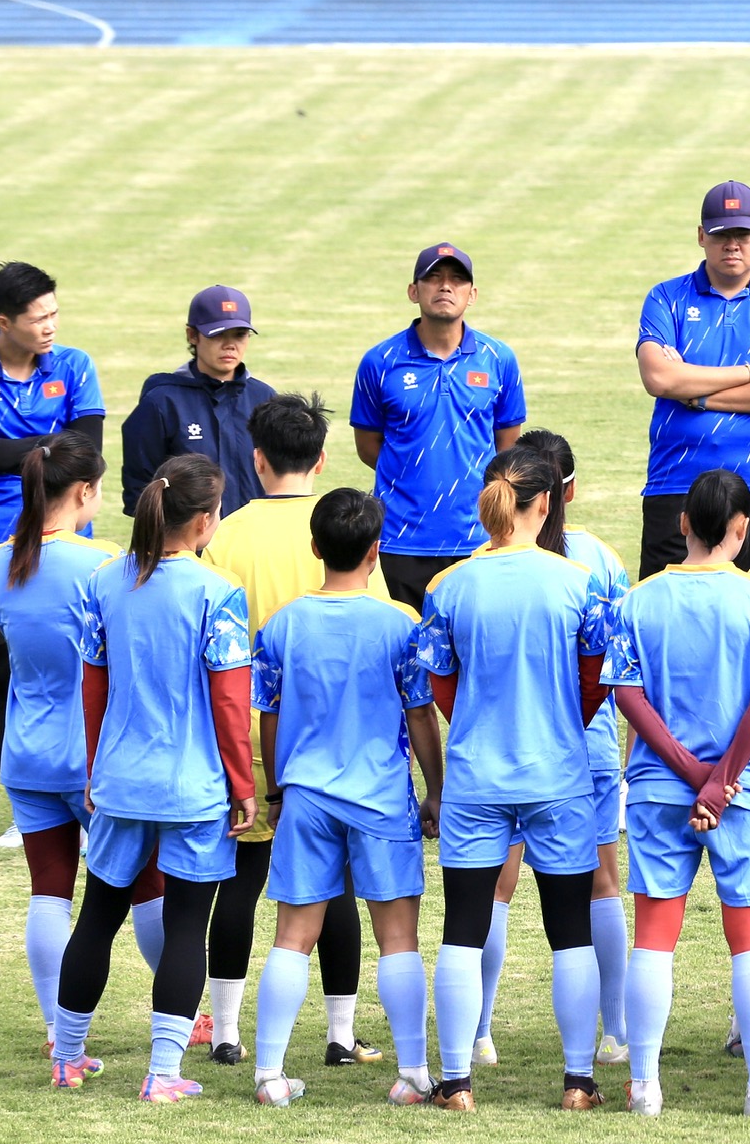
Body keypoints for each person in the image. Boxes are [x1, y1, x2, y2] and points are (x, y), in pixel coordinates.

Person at [414, 447, 614, 1112]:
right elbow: (594, 683)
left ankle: (455, 1081)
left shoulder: (448, 585)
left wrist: (476, 720)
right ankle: (579, 1080)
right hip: (558, 770)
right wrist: (559, 721)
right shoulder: (579, 580)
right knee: (570, 932)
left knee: (462, 929)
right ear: (547, 502)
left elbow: (444, 684)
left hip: (475, 772)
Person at [49, 454, 253, 1103]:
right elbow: (228, 701)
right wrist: (243, 784)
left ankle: (69, 1057)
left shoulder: (105, 582)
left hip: (118, 780)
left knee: (97, 917)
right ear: (203, 521)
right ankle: (163, 1073)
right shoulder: (216, 593)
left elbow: (93, 685)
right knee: (187, 924)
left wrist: (92, 768)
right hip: (192, 788)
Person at [246, 488, 445, 1108]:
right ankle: (412, 1073)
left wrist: (277, 788)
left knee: (291, 937)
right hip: (382, 798)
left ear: (314, 547)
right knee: (398, 939)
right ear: (377, 552)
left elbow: (269, 717)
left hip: (305, 796)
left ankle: (269, 1075)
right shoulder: (400, 624)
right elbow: (420, 717)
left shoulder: (282, 624)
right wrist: (435, 791)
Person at [606, 468, 750, 1118]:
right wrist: (720, 778)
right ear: (741, 529)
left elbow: (626, 694)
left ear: (682, 522)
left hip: (660, 789)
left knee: (654, 935)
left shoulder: (638, 599)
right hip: (745, 791)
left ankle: (644, 1085)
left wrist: (690, 770)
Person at [196, 392, 369, 1069]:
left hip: (245, 737)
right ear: (322, 457)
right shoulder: (343, 529)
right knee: (338, 886)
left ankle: (229, 1032)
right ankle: (340, 1033)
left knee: (239, 881)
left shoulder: (226, 536)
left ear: (255, 457)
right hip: (334, 744)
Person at [0, 432, 164, 1062]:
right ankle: (184, 1011)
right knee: (146, 883)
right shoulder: (104, 563)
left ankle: (59, 1028)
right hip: (94, 753)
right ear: (85, 491)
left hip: (25, 749)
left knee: (49, 890)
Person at [477, 429, 634, 1073]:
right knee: (600, 882)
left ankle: (479, 1031)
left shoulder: (477, 561)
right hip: (584, 750)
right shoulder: (599, 560)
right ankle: (615, 1030)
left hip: (498, 750)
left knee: (495, 886)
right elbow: (617, 662)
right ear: (565, 492)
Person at [0, 260, 106, 845]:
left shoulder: (75, 365)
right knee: (2, 675)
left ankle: (87, 800)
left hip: (68, 544)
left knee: (82, 670)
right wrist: (51, 445)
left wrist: (4, 442)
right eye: (38, 318)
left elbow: (87, 449)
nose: (50, 326)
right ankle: (25, 811)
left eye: (54, 313)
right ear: (3, 321)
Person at [634, 180, 750, 577]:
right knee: (668, 613)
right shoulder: (665, 298)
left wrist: (697, 394)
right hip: (677, 482)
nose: (732, 244)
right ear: (701, 236)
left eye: (743, 234)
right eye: (721, 234)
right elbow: (660, 379)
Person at [350, 242, 527, 611]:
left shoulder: (499, 359)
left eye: (457, 280)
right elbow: (368, 446)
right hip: (400, 540)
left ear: (472, 294)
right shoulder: (379, 362)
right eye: (433, 278)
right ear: (413, 291)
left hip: (477, 537)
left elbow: (506, 446)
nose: (445, 287)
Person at [121, 285, 276, 516]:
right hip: (186, 547)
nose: (230, 345)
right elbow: (141, 490)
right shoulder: (162, 401)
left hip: (252, 542)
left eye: (240, 335)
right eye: (218, 334)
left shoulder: (265, 399)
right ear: (192, 335)